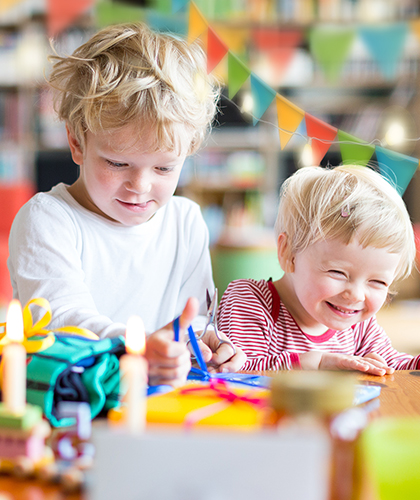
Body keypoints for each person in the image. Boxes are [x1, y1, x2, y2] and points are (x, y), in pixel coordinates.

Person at [8, 22, 245, 387]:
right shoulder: (47, 220)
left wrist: (208, 344)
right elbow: (63, 320)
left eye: (165, 167)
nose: (141, 185)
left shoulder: (185, 222)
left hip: (163, 411)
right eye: (118, 163)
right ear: (77, 143)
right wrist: (139, 349)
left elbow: (192, 320)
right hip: (77, 409)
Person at [218, 164, 420, 375]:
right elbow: (234, 374)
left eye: (378, 282)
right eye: (338, 273)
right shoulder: (249, 301)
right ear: (289, 253)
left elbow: (394, 365)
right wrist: (313, 363)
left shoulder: (358, 325)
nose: (356, 295)